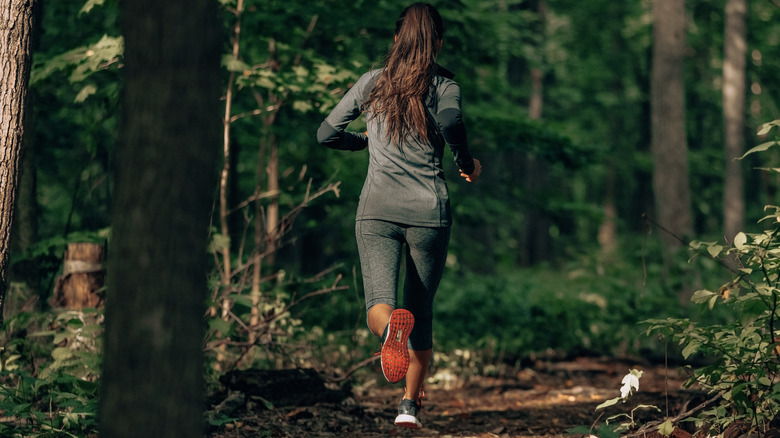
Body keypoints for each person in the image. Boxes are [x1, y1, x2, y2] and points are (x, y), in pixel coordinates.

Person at [317, 2, 482, 429]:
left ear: (396, 40)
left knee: (379, 303)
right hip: (428, 212)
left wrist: (365, 143)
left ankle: (391, 328)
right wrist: (465, 161)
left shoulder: (372, 82)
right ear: (438, 43)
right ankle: (408, 406)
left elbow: (327, 133)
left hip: (376, 212)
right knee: (421, 310)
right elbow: (452, 120)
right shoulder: (445, 84)